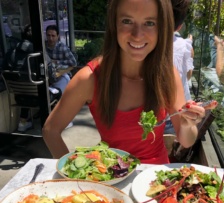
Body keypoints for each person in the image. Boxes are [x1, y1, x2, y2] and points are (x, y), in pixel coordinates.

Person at [43, 0, 210, 164]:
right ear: (113, 24)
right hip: (111, 178)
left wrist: (188, 124)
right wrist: (71, 175)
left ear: (162, 28)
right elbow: (51, 130)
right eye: (127, 21)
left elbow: (186, 140)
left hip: (155, 180)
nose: (137, 35)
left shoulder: (167, 75)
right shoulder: (89, 78)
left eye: (150, 23)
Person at [164, 0, 194, 134]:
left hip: (152, 116)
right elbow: (188, 76)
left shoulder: (145, 45)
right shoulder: (185, 46)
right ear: (180, 26)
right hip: (177, 114)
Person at [3, 24, 35, 132]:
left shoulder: (10, 52)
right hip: (38, 98)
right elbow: (51, 74)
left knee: (25, 87)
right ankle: (53, 124)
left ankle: (23, 122)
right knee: (57, 90)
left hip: (19, 96)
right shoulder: (36, 52)